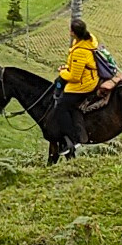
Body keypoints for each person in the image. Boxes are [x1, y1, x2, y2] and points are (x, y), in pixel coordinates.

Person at [51, 19, 101, 153]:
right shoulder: (87, 40)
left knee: (61, 107)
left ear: (73, 33)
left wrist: (63, 71)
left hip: (84, 84)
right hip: (86, 76)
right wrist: (67, 67)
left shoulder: (80, 51)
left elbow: (74, 77)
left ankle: (74, 139)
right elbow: (77, 67)